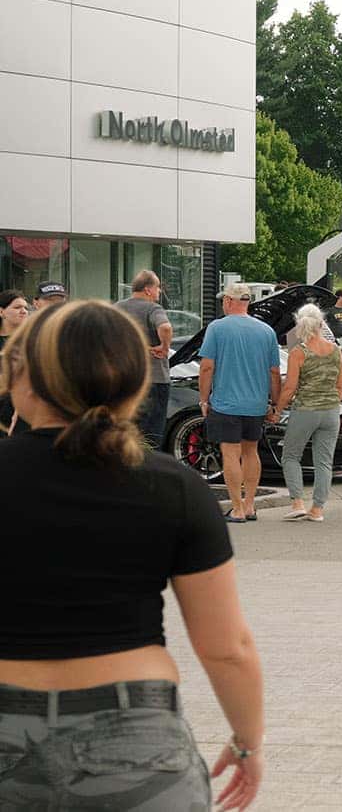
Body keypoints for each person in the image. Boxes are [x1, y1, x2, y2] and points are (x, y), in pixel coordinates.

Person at [0, 301, 263, 810]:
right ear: (133, 381)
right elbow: (227, 646)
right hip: (134, 735)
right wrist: (246, 741)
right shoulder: (173, 486)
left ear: (25, 377)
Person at [199, 283, 280, 523]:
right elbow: (274, 372)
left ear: (227, 301)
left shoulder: (217, 328)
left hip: (226, 404)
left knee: (231, 454)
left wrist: (203, 399)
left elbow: (206, 367)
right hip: (256, 405)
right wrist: (274, 403)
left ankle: (236, 508)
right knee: (251, 451)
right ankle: (250, 504)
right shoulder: (266, 331)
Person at [272, 305, 342, 522]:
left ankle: (297, 502)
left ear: (300, 326)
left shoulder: (299, 353)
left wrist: (277, 410)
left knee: (291, 455)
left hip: (305, 410)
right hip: (331, 411)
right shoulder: (336, 351)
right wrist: (332, 401)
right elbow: (340, 385)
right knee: (324, 461)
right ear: (322, 323)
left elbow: (290, 387)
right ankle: (318, 509)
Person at [116, 270, 174, 450]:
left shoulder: (117, 307)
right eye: (158, 288)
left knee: (124, 430)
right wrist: (164, 347)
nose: (159, 292)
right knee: (151, 433)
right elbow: (165, 327)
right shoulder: (153, 308)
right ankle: (147, 471)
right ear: (148, 290)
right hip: (153, 379)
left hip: (123, 378)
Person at [0, 290, 31, 436]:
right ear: (2, 311)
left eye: (25, 308)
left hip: (24, 412)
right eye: (17, 307)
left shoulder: (34, 340)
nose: (24, 311)